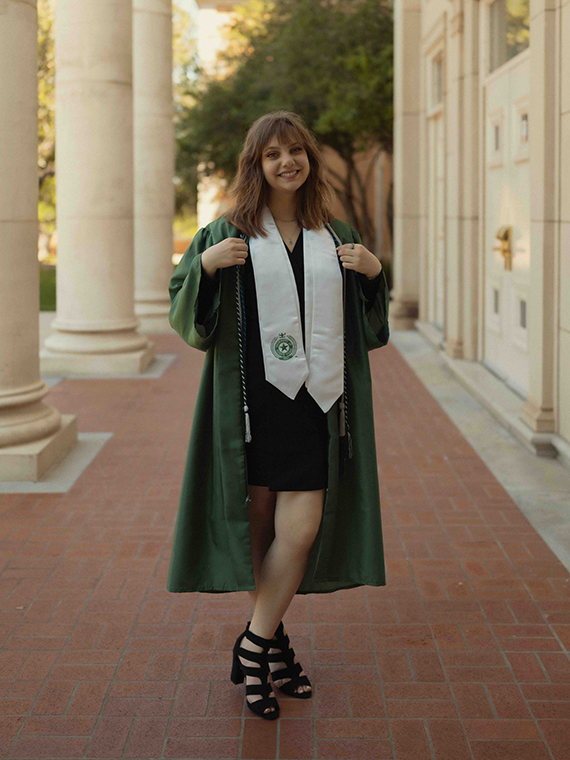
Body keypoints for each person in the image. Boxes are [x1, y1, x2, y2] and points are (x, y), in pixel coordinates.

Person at [166, 111, 390, 719]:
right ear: (255, 164)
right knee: (258, 530)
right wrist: (206, 271)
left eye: (296, 151)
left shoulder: (336, 234)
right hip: (249, 406)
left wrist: (374, 274)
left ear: (309, 160)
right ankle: (277, 649)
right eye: (273, 155)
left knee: (303, 525)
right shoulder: (224, 235)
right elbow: (186, 314)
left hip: (317, 404)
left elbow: (369, 328)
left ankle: (253, 643)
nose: (287, 162)